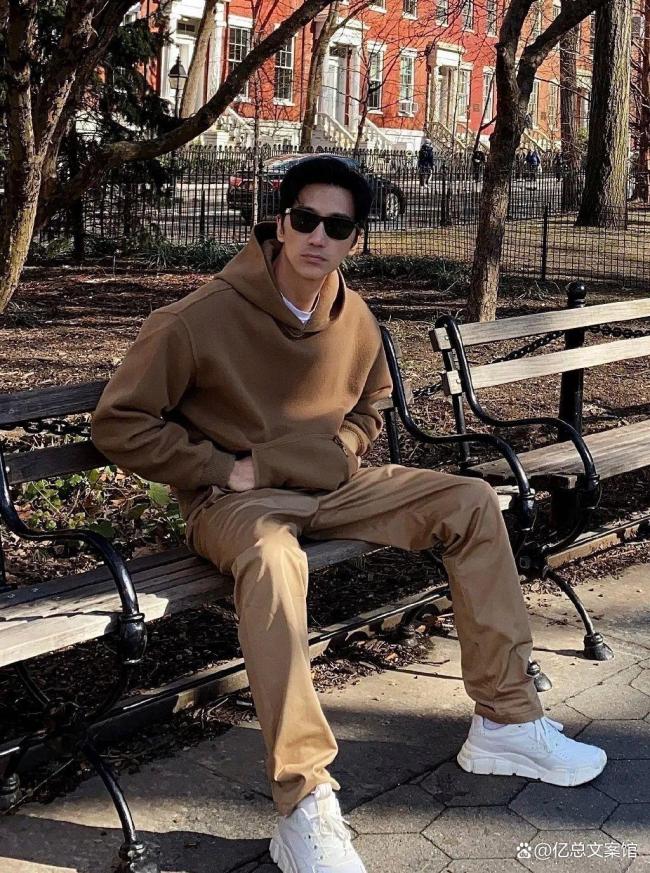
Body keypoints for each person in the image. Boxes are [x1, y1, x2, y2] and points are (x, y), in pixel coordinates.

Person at [91, 155, 607, 873]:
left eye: (337, 227)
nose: (318, 237)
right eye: (306, 219)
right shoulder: (197, 318)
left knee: (468, 500)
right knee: (275, 559)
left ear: (354, 240)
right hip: (236, 503)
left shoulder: (354, 316)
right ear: (280, 222)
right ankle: (303, 800)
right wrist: (221, 468)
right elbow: (118, 424)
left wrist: (344, 448)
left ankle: (507, 721)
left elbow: (372, 402)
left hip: (332, 487)